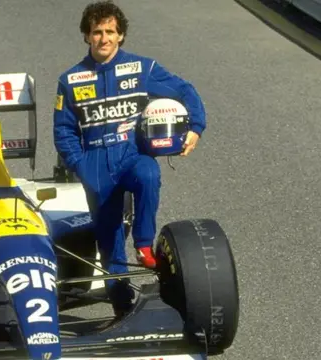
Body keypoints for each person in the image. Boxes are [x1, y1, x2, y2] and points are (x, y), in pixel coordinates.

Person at [53, 0, 206, 315]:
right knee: (108, 245)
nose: (104, 38)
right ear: (86, 36)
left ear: (121, 36)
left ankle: (144, 243)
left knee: (149, 173)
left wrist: (196, 127)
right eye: (97, 32)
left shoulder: (141, 68)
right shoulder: (69, 81)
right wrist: (80, 165)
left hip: (132, 154)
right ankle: (123, 310)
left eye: (110, 32)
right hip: (94, 164)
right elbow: (63, 131)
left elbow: (185, 89)